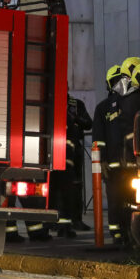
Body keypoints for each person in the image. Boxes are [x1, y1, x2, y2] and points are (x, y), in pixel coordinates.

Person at [91, 59, 140, 246]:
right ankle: (117, 234)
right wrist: (102, 161)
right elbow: (98, 138)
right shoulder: (103, 108)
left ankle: (130, 233)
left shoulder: (128, 102)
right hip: (113, 168)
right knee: (115, 201)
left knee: (130, 200)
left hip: (128, 165)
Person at [52, 93, 92, 237]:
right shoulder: (52, 102)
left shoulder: (77, 104)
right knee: (56, 187)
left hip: (74, 151)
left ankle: (76, 220)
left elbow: (89, 124)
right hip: (55, 151)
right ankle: (55, 221)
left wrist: (75, 118)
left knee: (75, 186)